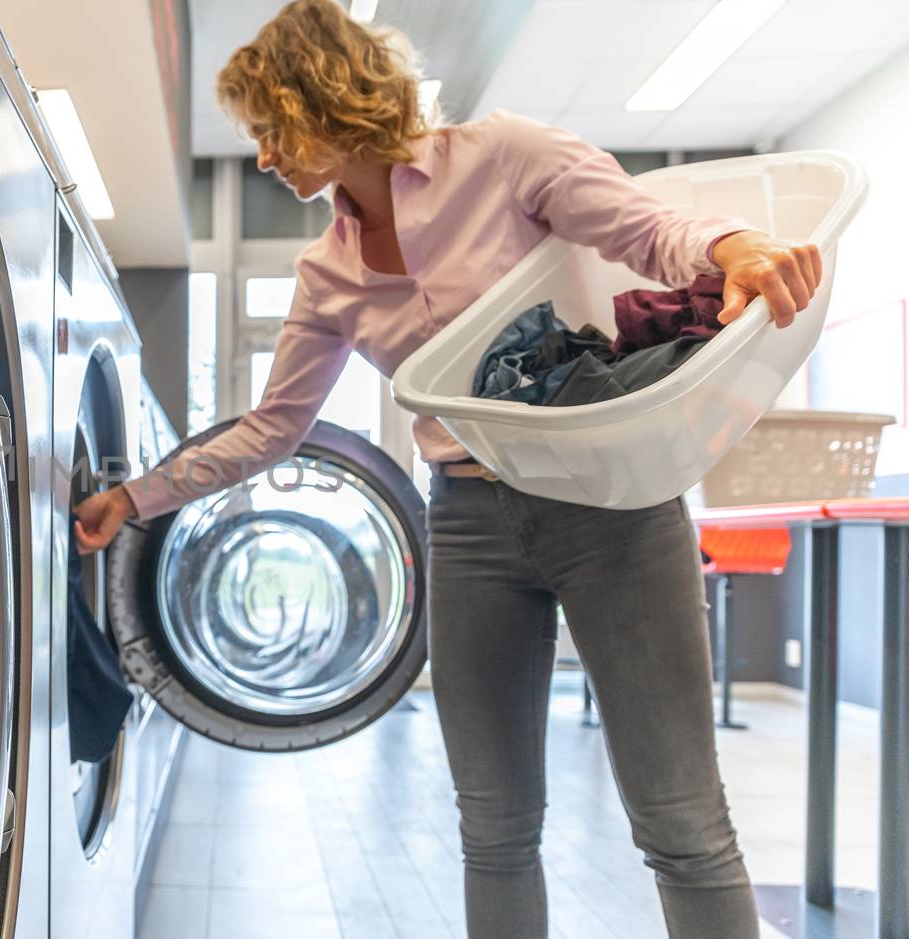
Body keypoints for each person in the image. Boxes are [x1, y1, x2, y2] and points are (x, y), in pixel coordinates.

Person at [73, 1, 824, 936]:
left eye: (269, 130)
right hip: (468, 526)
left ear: (321, 100)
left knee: (682, 822)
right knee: (495, 828)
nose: (264, 158)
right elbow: (272, 428)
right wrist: (134, 497)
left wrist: (733, 247)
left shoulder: (502, 155)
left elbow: (646, 228)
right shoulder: (326, 274)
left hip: (609, 506)